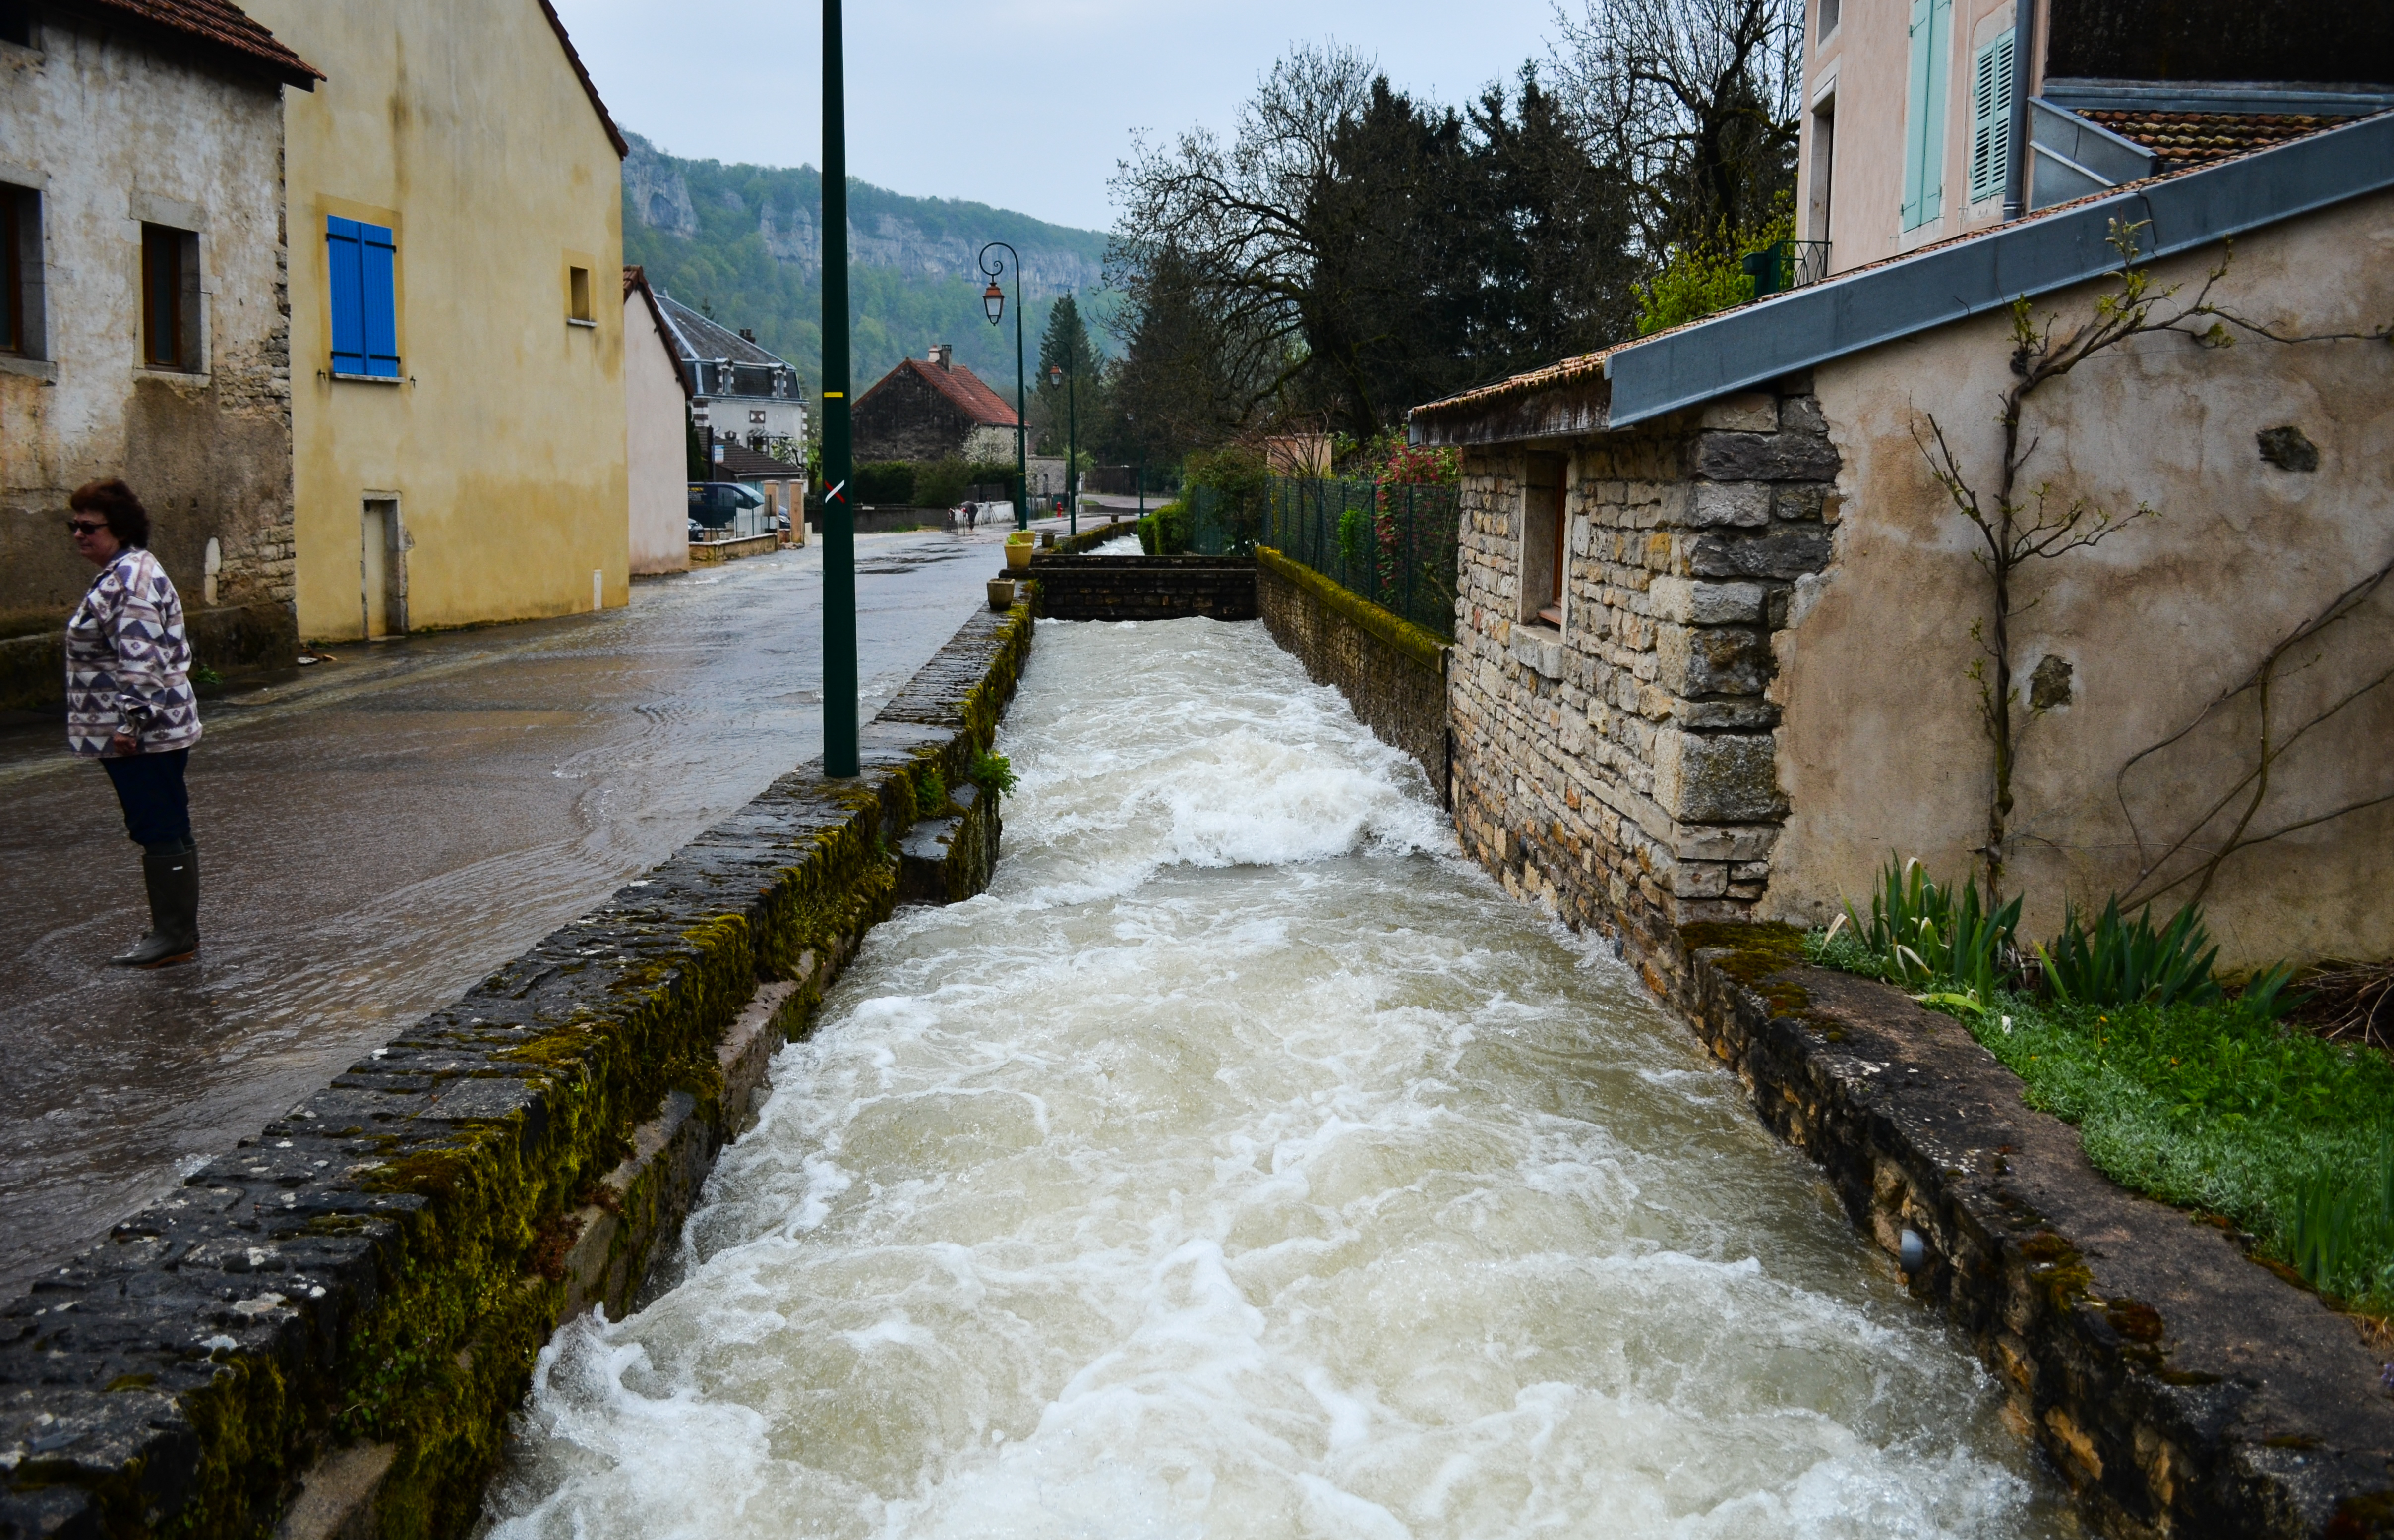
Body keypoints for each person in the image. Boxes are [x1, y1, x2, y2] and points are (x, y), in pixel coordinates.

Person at [65, 479, 204, 967]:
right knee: (165, 821)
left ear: (119, 528)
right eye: (75, 525)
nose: (79, 535)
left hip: (144, 734)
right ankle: (177, 930)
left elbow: (141, 659)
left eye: (89, 526)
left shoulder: (130, 580)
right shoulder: (124, 572)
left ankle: (173, 936)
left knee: (158, 823)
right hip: (149, 728)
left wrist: (129, 722)